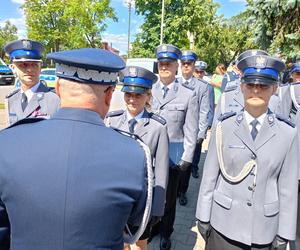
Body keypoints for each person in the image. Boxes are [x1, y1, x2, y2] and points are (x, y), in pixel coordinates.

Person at [0, 48, 150, 250]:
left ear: (59, 88)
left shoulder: (8, 142)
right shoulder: (135, 154)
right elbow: (133, 231)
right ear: (109, 95)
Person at [196, 54, 298, 250]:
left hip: (263, 230)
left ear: (275, 89)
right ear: (242, 86)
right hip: (223, 225)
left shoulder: (287, 133)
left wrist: (284, 232)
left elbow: (287, 189)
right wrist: (203, 215)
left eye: (264, 86)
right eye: (251, 85)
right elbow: (209, 176)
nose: (256, 90)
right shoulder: (223, 127)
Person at [105, 66, 169, 250]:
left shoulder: (158, 127)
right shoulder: (112, 121)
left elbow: (162, 171)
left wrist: (157, 207)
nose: (132, 99)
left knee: (140, 244)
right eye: (128, 94)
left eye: (138, 95)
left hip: (142, 200)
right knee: (118, 242)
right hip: (116, 196)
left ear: (148, 96)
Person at [150, 44, 199, 250]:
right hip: (149, 153)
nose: (165, 67)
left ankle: (166, 232)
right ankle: (152, 227)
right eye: (161, 63)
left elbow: (191, 128)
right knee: (151, 195)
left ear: (177, 66)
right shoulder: (148, 89)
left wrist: (187, 157)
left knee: (168, 199)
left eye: (169, 63)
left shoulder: (188, 95)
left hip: (173, 154)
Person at [177, 50, 209, 206]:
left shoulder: (202, 87)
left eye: (188, 64)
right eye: (183, 63)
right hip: (175, 131)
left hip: (192, 132)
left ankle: (182, 191)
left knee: (186, 165)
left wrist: (201, 133)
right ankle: (174, 190)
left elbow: (204, 111)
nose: (185, 66)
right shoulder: (174, 83)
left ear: (193, 65)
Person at [4, 39, 60, 125]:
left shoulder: (55, 99)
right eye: (23, 65)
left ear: (40, 67)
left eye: (34, 64)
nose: (30, 70)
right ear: (13, 68)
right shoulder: (11, 99)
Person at [194, 61, 215, 130]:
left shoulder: (208, 87)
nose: (199, 74)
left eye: (201, 72)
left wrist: (209, 123)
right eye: (197, 71)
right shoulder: (187, 85)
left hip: (201, 122)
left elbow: (211, 106)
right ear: (193, 72)